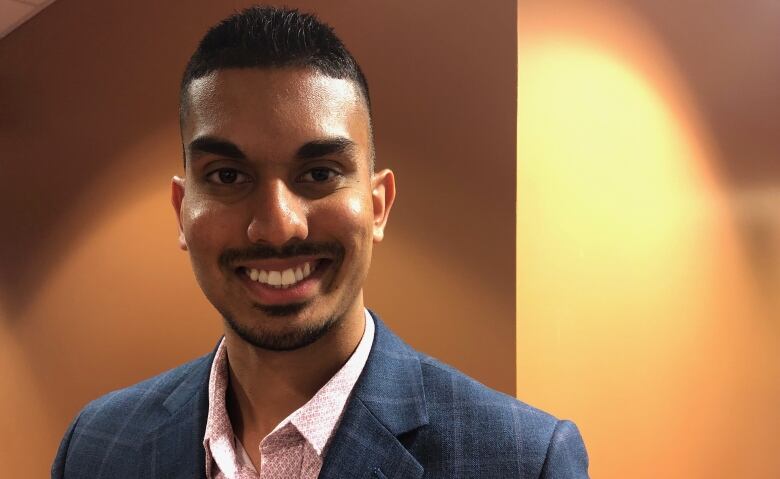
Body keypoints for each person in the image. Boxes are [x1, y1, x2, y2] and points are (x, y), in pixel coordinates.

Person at [52, 6, 588, 478]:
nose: (279, 225)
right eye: (227, 177)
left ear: (378, 204)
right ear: (181, 210)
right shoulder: (95, 447)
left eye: (319, 173)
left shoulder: (522, 460)